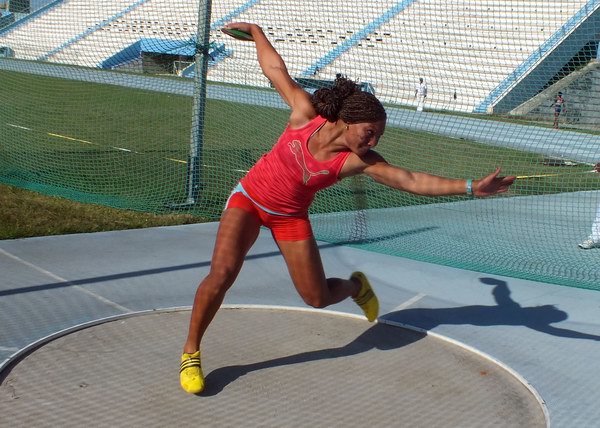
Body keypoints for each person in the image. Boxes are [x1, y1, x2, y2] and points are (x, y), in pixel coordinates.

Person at [179, 22, 516, 395]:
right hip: (249, 199)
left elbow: (410, 180)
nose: (373, 141)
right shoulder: (305, 115)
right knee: (222, 273)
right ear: (346, 121)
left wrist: (470, 187)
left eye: (379, 136)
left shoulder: (360, 160)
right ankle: (191, 352)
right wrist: (258, 32)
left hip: (290, 217)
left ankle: (357, 286)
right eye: (368, 132)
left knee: (317, 298)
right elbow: (275, 70)